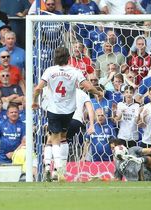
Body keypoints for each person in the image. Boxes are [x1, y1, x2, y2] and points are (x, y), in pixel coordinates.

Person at [32, 47, 103, 181]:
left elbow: (37, 88)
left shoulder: (49, 71)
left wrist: (34, 101)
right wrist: (98, 92)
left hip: (53, 110)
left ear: (55, 57)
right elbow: (87, 86)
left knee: (54, 138)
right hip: (69, 111)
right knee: (63, 137)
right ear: (68, 58)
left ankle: (54, 167)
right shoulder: (74, 71)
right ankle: (60, 170)